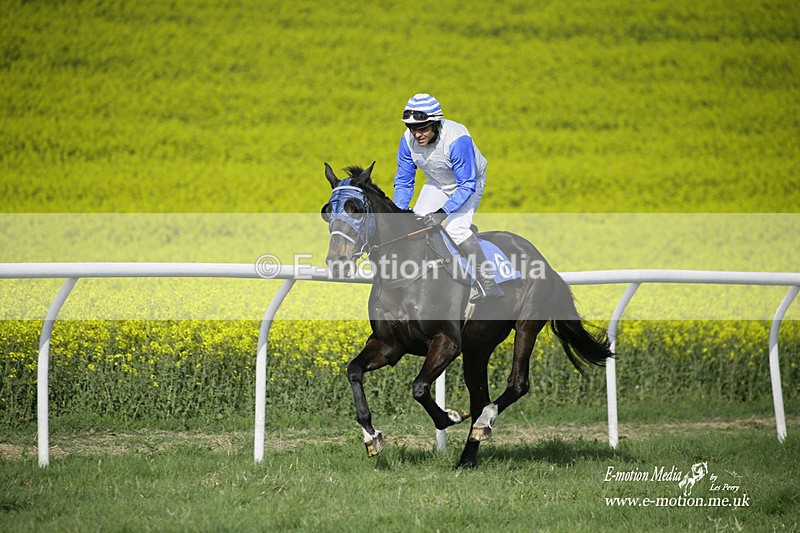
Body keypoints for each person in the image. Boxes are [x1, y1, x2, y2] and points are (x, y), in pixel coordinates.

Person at [393, 93, 503, 302]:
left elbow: (466, 184)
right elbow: (404, 181)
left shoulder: (457, 139)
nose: (417, 134)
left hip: (469, 183)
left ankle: (488, 282)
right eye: (412, 128)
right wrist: (398, 212)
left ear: (436, 123)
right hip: (438, 183)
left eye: (423, 128)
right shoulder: (406, 141)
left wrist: (442, 212)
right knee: (415, 224)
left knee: (455, 229)